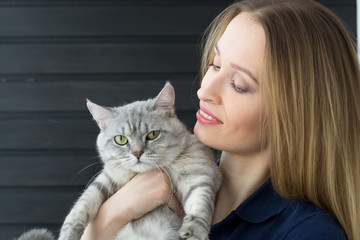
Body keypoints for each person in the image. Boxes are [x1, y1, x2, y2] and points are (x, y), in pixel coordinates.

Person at [81, 0, 360, 239]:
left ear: (296, 112)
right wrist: (108, 219)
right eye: (215, 64)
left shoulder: (307, 233)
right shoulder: (154, 188)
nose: (204, 91)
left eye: (238, 84)